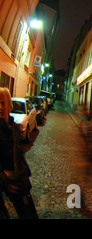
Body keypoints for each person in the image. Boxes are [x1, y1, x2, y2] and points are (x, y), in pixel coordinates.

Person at [0, 87, 38, 219]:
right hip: (5, 180)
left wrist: (24, 175)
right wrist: (4, 181)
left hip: (17, 180)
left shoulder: (13, 127)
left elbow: (18, 154)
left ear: (9, 106)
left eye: (3, 103)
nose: (0, 107)